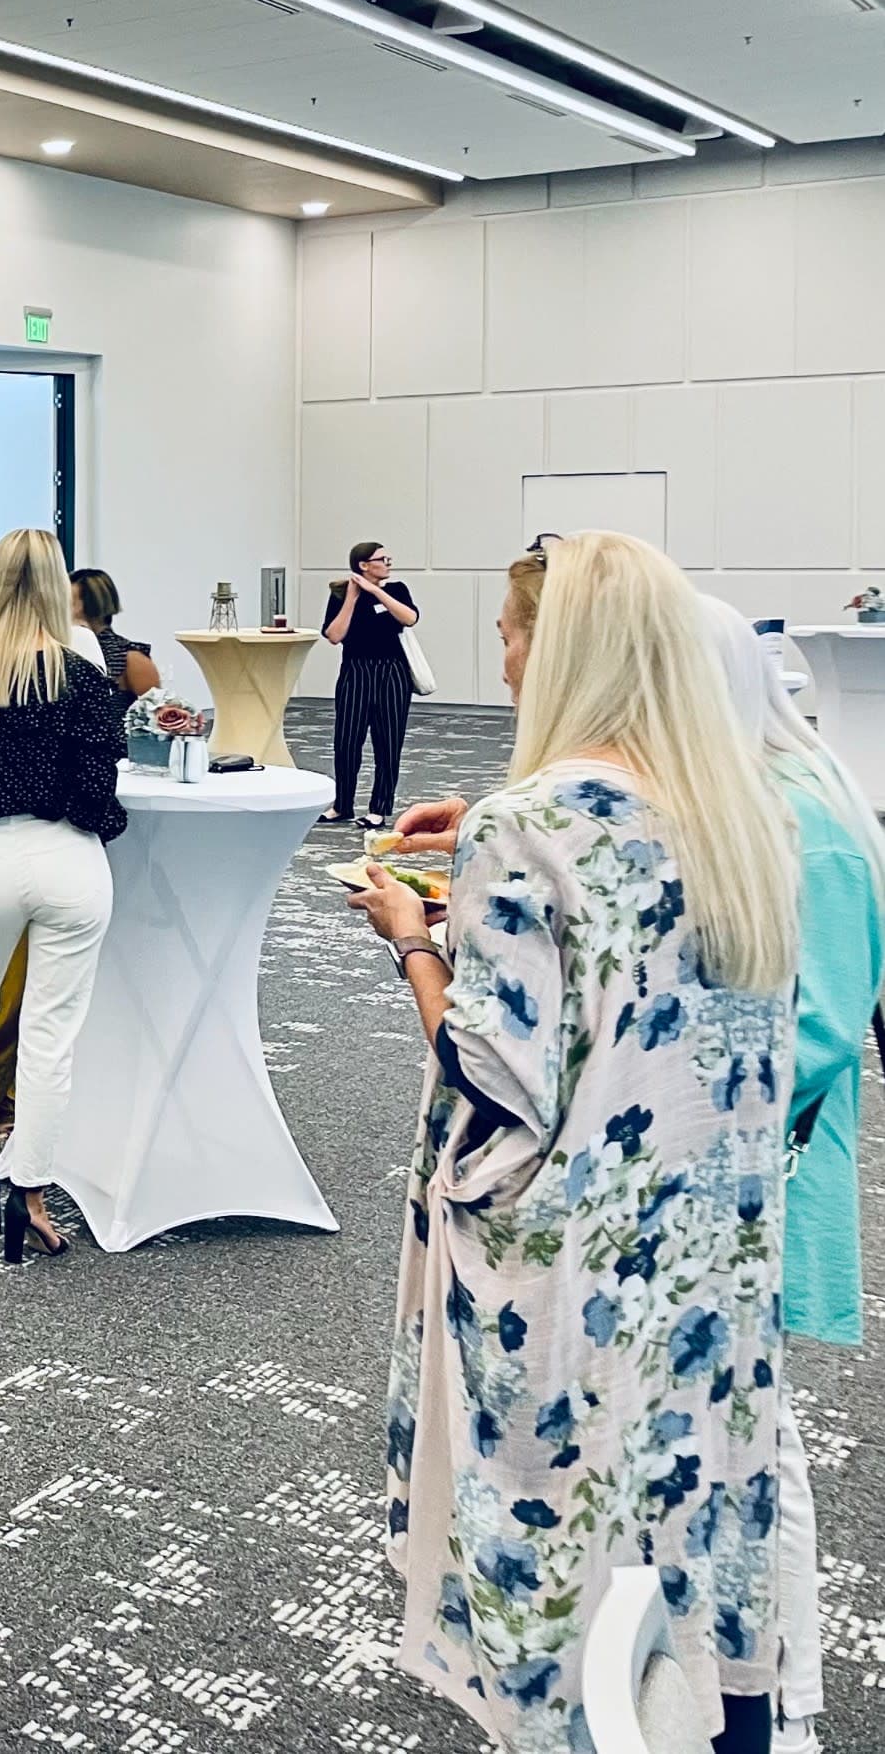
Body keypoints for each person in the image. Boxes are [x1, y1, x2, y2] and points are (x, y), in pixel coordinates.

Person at [349, 531, 795, 1754]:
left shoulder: (525, 823)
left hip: (565, 1257)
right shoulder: (739, 813)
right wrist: (476, 866)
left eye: (509, 632)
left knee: (560, 1532)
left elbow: (494, 1074)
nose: (499, 657)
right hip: (703, 1247)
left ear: (564, 650)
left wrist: (412, 937)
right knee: (689, 1513)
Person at [693, 594, 876, 1754]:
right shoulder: (745, 790)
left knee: (762, 1445)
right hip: (720, 1167)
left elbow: (819, 1029)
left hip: (765, 1169)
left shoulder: (803, 811)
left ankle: (789, 1700)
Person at [0, 528, 126, 1262]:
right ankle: (29, 1191)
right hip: (69, 858)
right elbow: (99, 789)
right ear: (56, 587)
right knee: (50, 1033)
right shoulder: (83, 676)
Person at [321, 539, 419, 826]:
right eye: (382, 559)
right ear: (364, 565)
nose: (388, 564)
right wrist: (352, 598)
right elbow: (334, 635)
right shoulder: (340, 594)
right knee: (346, 740)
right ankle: (342, 805)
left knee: (388, 742)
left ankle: (379, 808)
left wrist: (376, 591)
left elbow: (410, 618)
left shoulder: (397, 590)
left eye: (388, 559)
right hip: (356, 670)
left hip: (392, 672)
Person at [67, 567, 161, 718]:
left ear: (92, 604)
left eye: (69, 602)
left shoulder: (129, 657)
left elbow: (156, 716)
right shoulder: (59, 650)